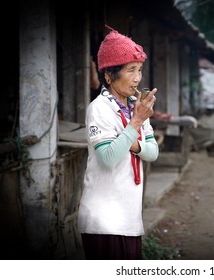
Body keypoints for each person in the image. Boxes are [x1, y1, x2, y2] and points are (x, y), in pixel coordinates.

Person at [77, 25, 159, 260]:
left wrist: (133, 141)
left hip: (129, 216)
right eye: (131, 70)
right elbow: (109, 158)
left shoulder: (136, 106)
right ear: (109, 75)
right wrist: (136, 124)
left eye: (140, 70)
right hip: (103, 220)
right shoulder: (99, 109)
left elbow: (153, 153)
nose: (137, 78)